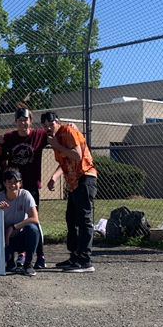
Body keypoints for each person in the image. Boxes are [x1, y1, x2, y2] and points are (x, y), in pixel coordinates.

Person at [44, 112, 98, 273]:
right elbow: (66, 161)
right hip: (74, 183)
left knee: (84, 219)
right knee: (71, 218)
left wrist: (56, 144)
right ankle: (75, 256)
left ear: (58, 122)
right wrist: (54, 176)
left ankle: (85, 260)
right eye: (45, 125)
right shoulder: (55, 138)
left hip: (85, 177)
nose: (48, 127)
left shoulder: (67, 131)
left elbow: (76, 154)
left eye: (51, 124)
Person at [2, 106, 48, 268]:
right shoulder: (10, 137)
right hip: (14, 188)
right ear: (15, 122)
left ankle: (40, 256)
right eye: (20, 120)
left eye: (25, 120)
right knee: (14, 220)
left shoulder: (39, 135)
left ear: (30, 121)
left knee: (33, 222)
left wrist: (69, 126)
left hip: (31, 186)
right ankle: (20, 254)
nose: (23, 123)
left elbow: (55, 134)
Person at [0, 169, 41, 276]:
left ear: (20, 183)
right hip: (4, 240)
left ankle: (28, 264)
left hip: (20, 236)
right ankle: (10, 259)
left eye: (15, 182)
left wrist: (13, 227)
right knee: (5, 266)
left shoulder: (25, 195)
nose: (12, 185)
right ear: (4, 183)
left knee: (32, 229)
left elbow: (35, 218)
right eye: (9, 182)